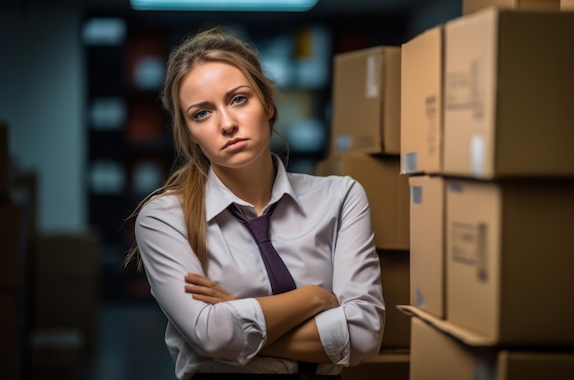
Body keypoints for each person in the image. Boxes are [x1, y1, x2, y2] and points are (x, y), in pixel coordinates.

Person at [124, 27, 385, 380]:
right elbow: (211, 335)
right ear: (188, 133)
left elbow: (366, 335)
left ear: (268, 103)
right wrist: (314, 299)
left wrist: (235, 314)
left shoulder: (340, 197)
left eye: (238, 99)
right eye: (202, 113)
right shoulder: (166, 218)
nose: (228, 124)